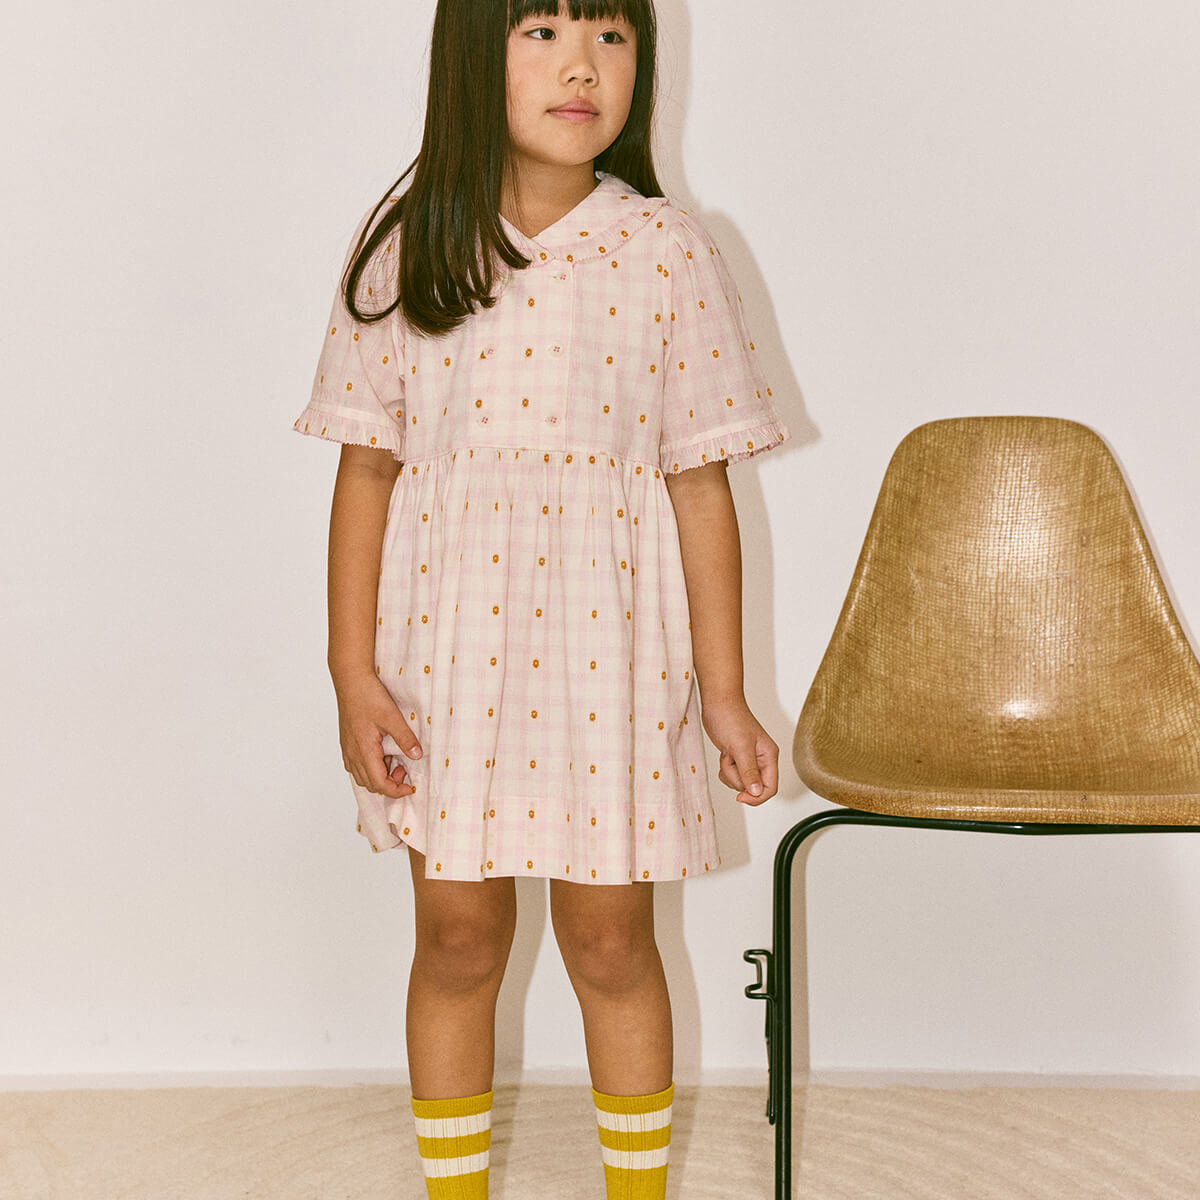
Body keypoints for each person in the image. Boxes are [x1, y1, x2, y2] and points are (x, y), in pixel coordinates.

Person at [294, 1, 790, 1195]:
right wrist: (352, 673)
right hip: (444, 661)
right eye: (542, 34)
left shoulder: (667, 249)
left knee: (612, 943)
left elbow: (701, 486)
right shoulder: (408, 244)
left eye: (611, 38)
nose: (582, 66)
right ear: (473, 56)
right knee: (457, 938)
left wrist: (726, 694)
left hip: (610, 660)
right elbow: (366, 471)